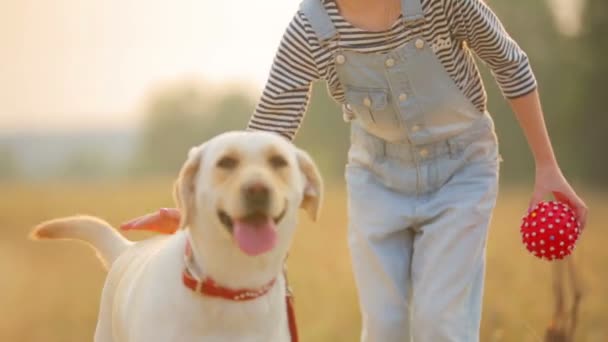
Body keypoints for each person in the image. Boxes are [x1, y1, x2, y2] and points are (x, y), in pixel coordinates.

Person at [121, 0, 588, 340]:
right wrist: (199, 214)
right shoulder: (311, 27)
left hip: (462, 173)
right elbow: (270, 128)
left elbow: (512, 65)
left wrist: (547, 167)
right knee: (384, 328)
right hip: (377, 178)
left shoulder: (446, 4)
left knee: (439, 324)